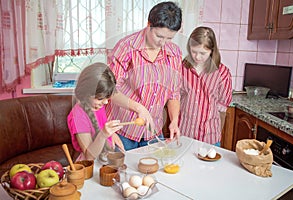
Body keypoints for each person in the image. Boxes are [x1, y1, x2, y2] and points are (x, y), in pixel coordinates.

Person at [107, 1, 183, 150]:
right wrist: (138, 108)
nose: (163, 43)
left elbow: (174, 93)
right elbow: (110, 90)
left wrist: (174, 121)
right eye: (159, 36)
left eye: (169, 38)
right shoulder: (126, 47)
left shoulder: (174, 53)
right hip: (122, 129)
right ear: (149, 24)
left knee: (154, 172)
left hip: (152, 132)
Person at [179, 26, 232, 146]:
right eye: (194, 51)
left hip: (210, 138)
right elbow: (175, 100)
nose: (197, 57)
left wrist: (217, 134)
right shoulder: (181, 68)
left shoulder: (222, 73)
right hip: (184, 135)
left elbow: (222, 109)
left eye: (203, 53)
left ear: (212, 50)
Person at [67, 62, 125, 161]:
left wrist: (112, 134)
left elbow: (100, 125)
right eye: (100, 98)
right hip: (90, 165)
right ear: (86, 92)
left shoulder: (97, 106)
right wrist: (103, 135)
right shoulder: (78, 116)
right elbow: (89, 156)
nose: (106, 102)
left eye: (107, 97)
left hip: (105, 157)